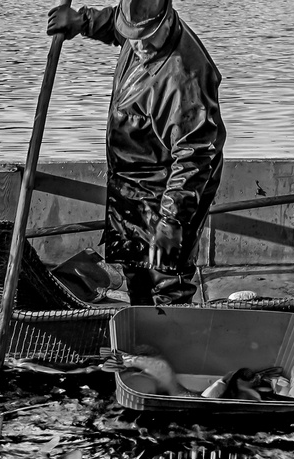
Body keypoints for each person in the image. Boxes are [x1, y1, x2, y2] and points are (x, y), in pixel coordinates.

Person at [47, 0, 224, 306]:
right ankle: (141, 329)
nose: (138, 45)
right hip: (132, 184)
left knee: (166, 279)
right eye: (133, 36)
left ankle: (172, 339)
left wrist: (171, 221)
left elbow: (194, 156)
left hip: (168, 190)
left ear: (166, 21)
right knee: (136, 271)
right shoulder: (136, 30)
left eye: (146, 37)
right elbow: (116, 22)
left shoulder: (184, 76)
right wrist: (81, 21)